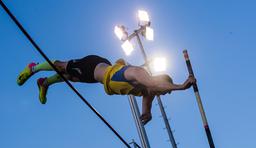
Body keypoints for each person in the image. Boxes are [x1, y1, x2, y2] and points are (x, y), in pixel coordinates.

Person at [17, 55, 196, 125]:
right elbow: (155, 86)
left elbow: (148, 101)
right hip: (94, 66)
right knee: (62, 67)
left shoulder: (147, 91)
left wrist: (146, 114)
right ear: (159, 80)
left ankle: (45, 83)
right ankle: (33, 67)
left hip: (97, 77)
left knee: (72, 77)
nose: (163, 94)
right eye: (164, 91)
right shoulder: (140, 74)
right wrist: (181, 86)